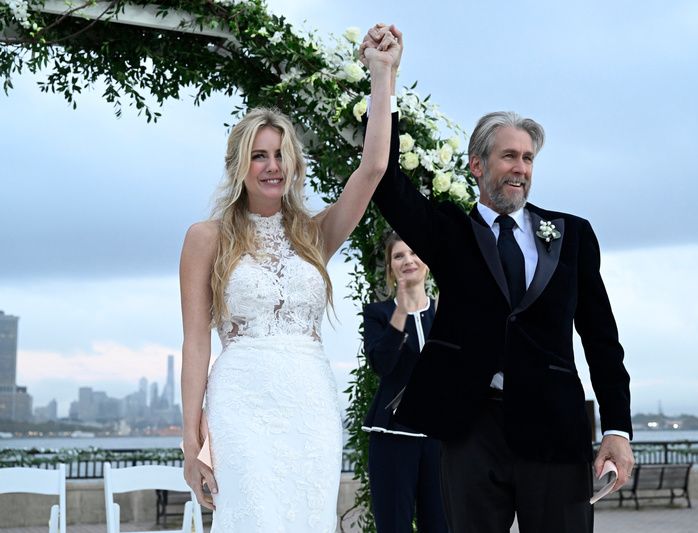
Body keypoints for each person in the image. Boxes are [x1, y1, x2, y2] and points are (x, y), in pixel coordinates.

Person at [362, 25, 634, 533]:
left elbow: (601, 337)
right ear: (477, 165)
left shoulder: (572, 235)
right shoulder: (448, 232)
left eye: (528, 158)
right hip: (470, 427)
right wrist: (385, 78)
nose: (521, 168)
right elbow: (388, 183)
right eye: (509, 156)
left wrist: (617, 427)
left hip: (555, 429)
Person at [179, 26, 402, 532]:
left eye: (280, 155)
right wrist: (193, 443)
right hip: (241, 403)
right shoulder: (205, 239)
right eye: (259, 155)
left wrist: (382, 76)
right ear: (239, 164)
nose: (272, 166)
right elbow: (195, 343)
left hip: (310, 401)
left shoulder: (312, 235)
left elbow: (373, 169)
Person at [361, 233, 448, 533]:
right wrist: (402, 309)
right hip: (393, 436)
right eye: (398, 256)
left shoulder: (445, 312)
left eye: (414, 253)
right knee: (394, 525)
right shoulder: (378, 314)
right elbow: (382, 364)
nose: (408, 260)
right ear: (390, 268)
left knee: (441, 525)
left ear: (426, 262)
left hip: (440, 439)